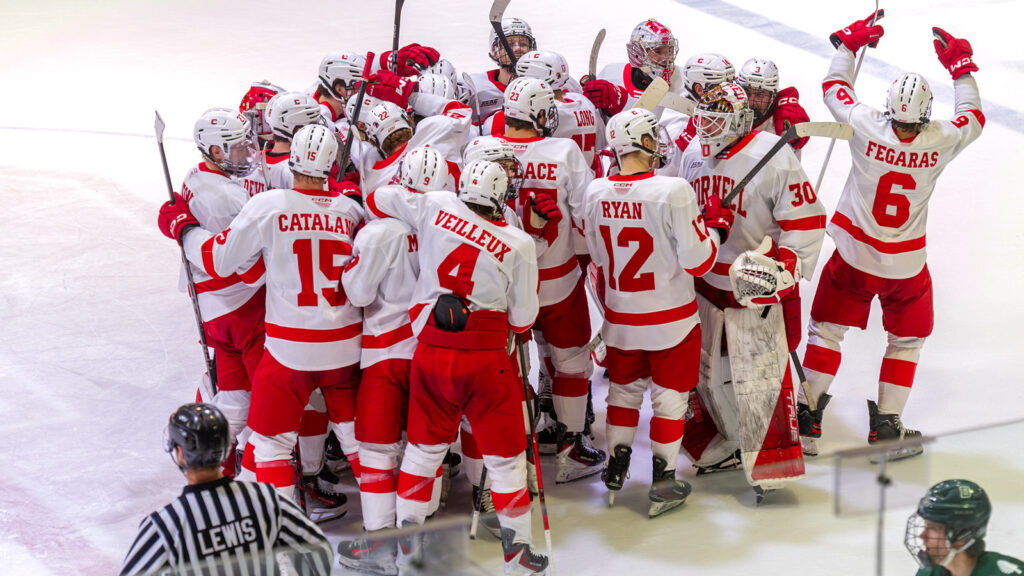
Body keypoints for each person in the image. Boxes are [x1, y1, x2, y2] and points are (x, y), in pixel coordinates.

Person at [799, 14, 985, 460]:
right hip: (906, 267)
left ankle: (806, 419)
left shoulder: (866, 124)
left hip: (854, 258)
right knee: (906, 341)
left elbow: (833, 89)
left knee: (826, 331)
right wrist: (961, 67)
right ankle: (887, 425)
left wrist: (848, 45)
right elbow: (974, 118)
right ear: (923, 114)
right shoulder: (938, 138)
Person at [159, 124, 364, 520]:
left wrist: (181, 228)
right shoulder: (348, 211)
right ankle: (300, 486)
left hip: (223, 310)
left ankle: (217, 480)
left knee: (241, 406)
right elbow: (246, 270)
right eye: (235, 148)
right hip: (267, 320)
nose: (247, 154)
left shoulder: (241, 191)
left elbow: (226, 253)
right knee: (318, 426)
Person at [364, 160, 549, 574]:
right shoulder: (518, 243)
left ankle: (408, 543)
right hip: (486, 361)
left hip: (431, 351)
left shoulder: (436, 204)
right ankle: (517, 555)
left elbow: (376, 196)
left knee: (422, 454)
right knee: (505, 462)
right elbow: (522, 320)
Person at [675, 82, 825, 497]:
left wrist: (787, 265)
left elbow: (808, 219)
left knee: (762, 381)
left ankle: (771, 461)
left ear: (740, 120)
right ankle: (725, 441)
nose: (706, 123)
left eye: (717, 116)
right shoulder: (691, 153)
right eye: (704, 113)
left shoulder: (773, 157)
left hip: (752, 285)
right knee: (707, 374)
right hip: (705, 284)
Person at [579, 107, 729, 517]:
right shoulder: (673, 189)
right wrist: (716, 228)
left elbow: (595, 256)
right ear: (643, 143)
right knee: (669, 399)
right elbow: (699, 262)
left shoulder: (594, 192)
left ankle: (616, 466)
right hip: (672, 321)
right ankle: (663, 478)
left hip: (620, 320)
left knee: (624, 392)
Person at [335, 147, 448, 573]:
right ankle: (420, 532)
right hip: (431, 351)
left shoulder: (378, 232)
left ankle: (382, 540)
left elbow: (359, 294)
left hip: (385, 352)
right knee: (424, 447)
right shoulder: (449, 226)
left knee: (378, 448)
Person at [498, 76, 605, 484]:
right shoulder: (563, 151)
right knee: (572, 363)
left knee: (516, 361)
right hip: (557, 279)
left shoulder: (482, 147)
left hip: (506, 283)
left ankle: (521, 442)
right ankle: (571, 446)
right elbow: (585, 212)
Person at [119, 403, 331, 576]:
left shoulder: (166, 524)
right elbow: (319, 552)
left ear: (181, 453)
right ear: (225, 448)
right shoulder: (266, 499)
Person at [173, 108, 268, 477]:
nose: (247, 153)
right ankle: (271, 481)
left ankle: (206, 454)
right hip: (243, 310)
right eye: (238, 148)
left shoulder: (196, 176)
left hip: (215, 309)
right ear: (215, 152)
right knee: (268, 403)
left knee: (234, 398)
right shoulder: (227, 197)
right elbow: (255, 271)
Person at [905, 479, 1024, 576]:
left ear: (962, 535)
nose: (922, 536)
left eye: (933, 529)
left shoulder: (1007, 573)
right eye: (925, 525)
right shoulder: (928, 573)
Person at [588, 19, 682, 118]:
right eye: (657, 51)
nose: (666, 57)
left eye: (669, 50)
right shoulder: (611, 75)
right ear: (639, 53)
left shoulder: (685, 81)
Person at [735, 58, 812, 156]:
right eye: (747, 92)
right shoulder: (726, 104)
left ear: (773, 96)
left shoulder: (782, 125)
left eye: (760, 95)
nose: (751, 102)